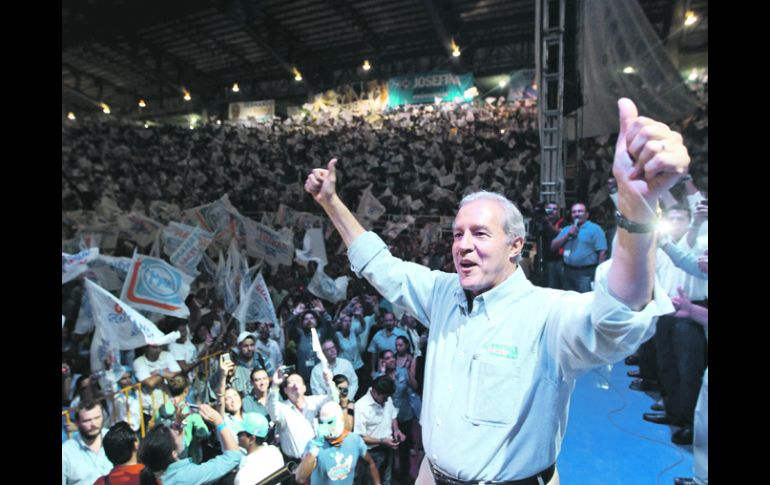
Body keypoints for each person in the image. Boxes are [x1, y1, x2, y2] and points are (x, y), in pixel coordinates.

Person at [302, 98, 688, 482]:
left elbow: (616, 319)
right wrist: (331, 202)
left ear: (516, 245)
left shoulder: (548, 314)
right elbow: (381, 266)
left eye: (480, 233)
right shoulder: (442, 294)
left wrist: (635, 210)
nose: (463, 245)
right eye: (457, 234)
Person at [138, 404, 241, 485]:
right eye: (175, 432)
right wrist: (219, 421)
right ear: (173, 454)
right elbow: (233, 457)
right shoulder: (185, 476)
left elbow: (178, 450)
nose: (178, 430)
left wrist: (179, 424)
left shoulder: (156, 472)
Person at [295, 401, 381, 485]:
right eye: (322, 422)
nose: (325, 427)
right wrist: (315, 448)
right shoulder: (313, 446)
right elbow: (300, 478)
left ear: (340, 421)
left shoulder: (354, 440)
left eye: (329, 422)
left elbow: (370, 463)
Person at [354, 376, 405, 485]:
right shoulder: (361, 406)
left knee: (387, 480)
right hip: (371, 453)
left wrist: (396, 430)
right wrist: (382, 441)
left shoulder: (387, 398)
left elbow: (393, 416)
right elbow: (360, 437)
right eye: (385, 397)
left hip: (388, 449)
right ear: (376, 392)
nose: (387, 400)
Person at [550, 202, 607, 293]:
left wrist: (599, 276)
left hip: (586, 273)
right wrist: (567, 235)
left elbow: (602, 253)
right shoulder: (567, 229)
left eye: (580, 211)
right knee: (569, 301)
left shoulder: (595, 229)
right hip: (567, 272)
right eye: (574, 212)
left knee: (584, 301)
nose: (576, 214)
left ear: (587, 214)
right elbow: (553, 246)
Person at [62, 401, 114, 485]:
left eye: (97, 418)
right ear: (77, 423)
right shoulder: (65, 452)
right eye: (87, 420)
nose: (93, 424)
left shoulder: (114, 439)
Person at [234, 413, 285, 485]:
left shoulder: (243, 476)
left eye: (240, 434)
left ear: (251, 439)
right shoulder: (274, 452)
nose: (237, 435)